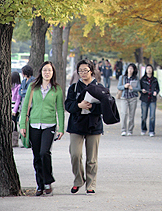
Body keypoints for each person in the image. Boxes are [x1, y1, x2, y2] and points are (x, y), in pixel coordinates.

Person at [19, 61, 64, 196]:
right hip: (33, 125)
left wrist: (61, 127)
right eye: (45, 70)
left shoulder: (57, 89)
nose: (47, 72)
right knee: (37, 156)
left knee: (45, 152)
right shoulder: (33, 87)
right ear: (41, 72)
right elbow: (25, 105)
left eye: (49, 70)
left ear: (53, 73)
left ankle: (48, 182)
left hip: (49, 125)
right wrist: (22, 125)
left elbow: (60, 109)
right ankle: (39, 184)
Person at [65, 59, 103, 194]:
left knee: (92, 158)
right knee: (75, 154)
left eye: (85, 70)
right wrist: (78, 106)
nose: (83, 73)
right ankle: (78, 180)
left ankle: (91, 184)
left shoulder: (99, 88)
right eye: (80, 71)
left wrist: (93, 107)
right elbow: (68, 105)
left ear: (91, 71)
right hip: (76, 125)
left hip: (94, 126)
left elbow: (105, 108)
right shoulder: (73, 88)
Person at [117, 63, 141, 136]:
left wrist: (132, 88)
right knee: (124, 113)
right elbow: (119, 87)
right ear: (127, 69)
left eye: (132, 69)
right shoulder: (122, 77)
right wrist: (124, 86)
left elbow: (139, 88)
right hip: (124, 97)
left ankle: (130, 130)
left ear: (134, 70)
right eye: (129, 68)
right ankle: (123, 129)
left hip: (133, 98)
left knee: (131, 115)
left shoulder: (136, 78)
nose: (130, 70)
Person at [140, 64, 160, 137]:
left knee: (152, 116)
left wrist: (156, 92)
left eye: (150, 68)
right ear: (145, 70)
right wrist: (142, 91)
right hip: (144, 99)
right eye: (147, 68)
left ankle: (151, 131)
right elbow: (139, 88)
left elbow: (158, 89)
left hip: (152, 99)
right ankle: (143, 129)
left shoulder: (154, 80)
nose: (149, 70)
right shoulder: (143, 79)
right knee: (144, 116)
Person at [11, 71, 22, 146]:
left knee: (14, 122)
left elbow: (18, 99)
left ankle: (15, 141)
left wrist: (14, 110)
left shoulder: (18, 87)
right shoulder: (12, 86)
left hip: (15, 108)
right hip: (11, 106)